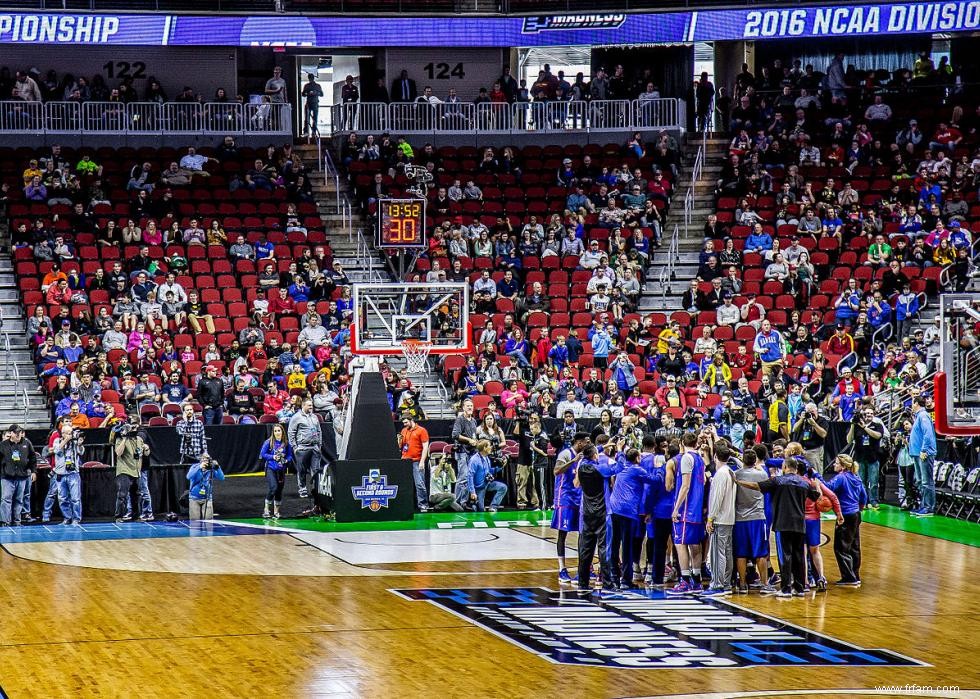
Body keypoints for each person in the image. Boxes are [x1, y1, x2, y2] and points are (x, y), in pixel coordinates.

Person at [736, 456, 820, 598]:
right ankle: (799, 588)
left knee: (785, 556)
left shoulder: (778, 481)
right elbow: (816, 496)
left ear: (785, 467)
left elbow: (756, 486)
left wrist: (738, 482)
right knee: (799, 556)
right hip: (800, 524)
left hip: (783, 523)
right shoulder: (804, 483)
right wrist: (816, 483)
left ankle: (786, 588)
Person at [608, 442, 661, 590]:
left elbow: (619, 457)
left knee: (614, 543)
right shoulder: (638, 470)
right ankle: (626, 580)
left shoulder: (620, 465)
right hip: (627, 510)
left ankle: (613, 576)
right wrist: (659, 469)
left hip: (614, 507)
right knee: (627, 545)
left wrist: (619, 448)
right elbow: (655, 481)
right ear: (637, 458)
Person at [667, 432, 706, 596]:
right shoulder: (701, 459)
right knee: (695, 545)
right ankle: (696, 580)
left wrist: (676, 509)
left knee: (680, 544)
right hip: (696, 510)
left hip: (686, 510)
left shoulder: (686, 458)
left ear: (682, 443)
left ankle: (684, 580)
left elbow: (685, 486)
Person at [573, 442, 614, 591]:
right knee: (604, 549)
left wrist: (603, 446)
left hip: (585, 511)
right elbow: (617, 469)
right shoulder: (601, 469)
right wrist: (621, 452)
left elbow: (576, 484)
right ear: (595, 455)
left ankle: (582, 583)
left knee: (585, 549)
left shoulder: (582, 465)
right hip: (602, 511)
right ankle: (607, 582)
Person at [826, 453, 867, 586]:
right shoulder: (856, 477)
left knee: (841, 547)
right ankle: (855, 574)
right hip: (856, 514)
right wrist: (859, 508)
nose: (834, 465)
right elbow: (864, 496)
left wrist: (817, 480)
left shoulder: (841, 478)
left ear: (843, 466)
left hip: (845, 515)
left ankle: (849, 577)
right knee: (854, 546)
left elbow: (828, 488)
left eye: (836, 463)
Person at [732, 449, 770, 594]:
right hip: (757, 518)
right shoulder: (762, 474)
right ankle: (764, 584)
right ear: (755, 461)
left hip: (740, 518)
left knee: (741, 553)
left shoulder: (737, 474)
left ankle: (742, 584)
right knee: (760, 553)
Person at [552, 431, 587, 584]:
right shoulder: (566, 453)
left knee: (583, 534)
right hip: (565, 498)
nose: (588, 445)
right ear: (579, 443)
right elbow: (556, 471)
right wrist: (573, 460)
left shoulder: (585, 455)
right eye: (586, 442)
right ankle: (562, 569)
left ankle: (583, 568)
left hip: (579, 498)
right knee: (563, 534)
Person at [704, 443, 737, 596]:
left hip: (720, 518)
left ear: (715, 456)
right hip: (730, 518)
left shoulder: (720, 474)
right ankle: (727, 582)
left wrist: (710, 518)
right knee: (727, 552)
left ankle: (717, 584)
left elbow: (716, 499)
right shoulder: (731, 472)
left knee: (718, 553)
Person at [848, 405, 886, 510]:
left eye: (870, 413)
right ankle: (863, 501)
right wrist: (852, 425)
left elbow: (877, 436)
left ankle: (874, 501)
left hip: (873, 457)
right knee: (861, 482)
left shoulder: (877, 425)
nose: (868, 415)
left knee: (873, 482)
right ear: (863, 414)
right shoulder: (856, 426)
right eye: (866, 413)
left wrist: (865, 427)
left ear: (873, 415)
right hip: (860, 457)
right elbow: (849, 440)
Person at [111, 417, 147, 524]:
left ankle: (136, 516)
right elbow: (118, 453)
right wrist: (125, 438)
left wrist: (147, 449)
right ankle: (119, 516)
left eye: (136, 425)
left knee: (137, 495)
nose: (134, 428)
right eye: (132, 425)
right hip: (124, 470)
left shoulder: (139, 439)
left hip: (136, 470)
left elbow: (143, 455)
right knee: (122, 495)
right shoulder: (120, 439)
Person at [0, 424, 37, 526]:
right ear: (10, 433)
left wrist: (33, 471)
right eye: (15, 433)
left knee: (19, 500)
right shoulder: (3, 445)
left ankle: (17, 521)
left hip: (22, 476)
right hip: (7, 477)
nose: (18, 435)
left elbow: (33, 458)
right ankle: (5, 521)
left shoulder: (27, 443)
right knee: (6, 499)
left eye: (19, 432)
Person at [287, 399, 322, 502]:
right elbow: (291, 432)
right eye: (309, 405)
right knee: (302, 470)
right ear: (303, 405)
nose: (311, 407)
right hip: (302, 448)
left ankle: (315, 489)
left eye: (312, 405)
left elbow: (319, 430)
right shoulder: (296, 417)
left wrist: (319, 445)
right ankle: (302, 489)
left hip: (315, 447)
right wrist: (295, 447)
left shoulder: (314, 417)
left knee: (316, 470)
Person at [908, 395, 937, 517]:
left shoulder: (923, 415)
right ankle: (923, 505)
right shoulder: (919, 416)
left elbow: (928, 434)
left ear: (916, 404)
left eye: (912, 404)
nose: (911, 406)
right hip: (917, 453)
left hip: (924, 454)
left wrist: (924, 450)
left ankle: (929, 507)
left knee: (926, 481)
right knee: (920, 481)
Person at [513, 412, 548, 510]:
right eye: (531, 418)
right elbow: (515, 436)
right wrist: (518, 422)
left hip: (536, 461)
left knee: (535, 483)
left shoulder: (540, 430)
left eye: (535, 418)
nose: (533, 420)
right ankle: (521, 502)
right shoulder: (523, 428)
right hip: (523, 458)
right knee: (522, 481)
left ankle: (536, 502)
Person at [52, 423, 85, 525]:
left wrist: (79, 444)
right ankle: (67, 518)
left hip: (73, 473)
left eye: (70, 433)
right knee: (62, 498)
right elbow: (57, 450)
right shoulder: (57, 441)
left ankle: (76, 519)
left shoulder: (74, 442)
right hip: (60, 474)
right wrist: (66, 440)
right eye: (66, 433)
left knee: (75, 498)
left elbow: (81, 452)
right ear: (62, 433)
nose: (69, 435)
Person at [259, 423, 293, 520]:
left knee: (279, 491)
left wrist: (287, 460)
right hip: (271, 468)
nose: (277, 433)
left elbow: (290, 455)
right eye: (275, 431)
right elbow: (262, 454)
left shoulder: (286, 443)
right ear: (273, 432)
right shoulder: (269, 442)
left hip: (281, 470)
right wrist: (273, 457)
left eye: (279, 430)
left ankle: (276, 511)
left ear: (282, 431)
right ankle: (266, 509)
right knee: (273, 487)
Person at [399, 413, 430, 512]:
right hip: (405, 461)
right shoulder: (404, 430)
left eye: (406, 422)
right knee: (404, 484)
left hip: (417, 461)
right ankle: (405, 504)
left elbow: (425, 447)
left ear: (411, 420)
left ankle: (423, 504)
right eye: (403, 423)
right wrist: (399, 441)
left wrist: (422, 461)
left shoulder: (422, 430)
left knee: (419, 484)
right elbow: (401, 446)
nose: (405, 424)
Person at [451, 399, 479, 506]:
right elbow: (455, 434)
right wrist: (469, 440)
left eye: (471, 406)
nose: (470, 408)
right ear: (463, 407)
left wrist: (475, 441)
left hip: (471, 451)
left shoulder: (473, 421)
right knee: (462, 477)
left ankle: (464, 501)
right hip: (462, 451)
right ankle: (457, 501)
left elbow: (473, 436)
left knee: (469, 476)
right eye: (467, 406)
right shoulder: (460, 419)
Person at [466, 440, 507, 513]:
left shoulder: (486, 458)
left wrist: (501, 467)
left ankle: (493, 507)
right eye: (489, 446)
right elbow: (470, 476)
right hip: (479, 488)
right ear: (484, 448)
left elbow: (489, 471)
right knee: (480, 510)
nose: (491, 448)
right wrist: (472, 492)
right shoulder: (474, 460)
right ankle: (473, 504)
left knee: (503, 487)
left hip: (487, 484)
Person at [187, 454, 225, 520]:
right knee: (195, 522)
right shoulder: (195, 467)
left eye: (207, 459)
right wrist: (200, 467)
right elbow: (188, 476)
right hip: (194, 498)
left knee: (209, 521)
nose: (206, 461)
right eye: (204, 459)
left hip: (207, 498)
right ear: (201, 460)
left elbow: (221, 478)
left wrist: (218, 467)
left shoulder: (211, 469)